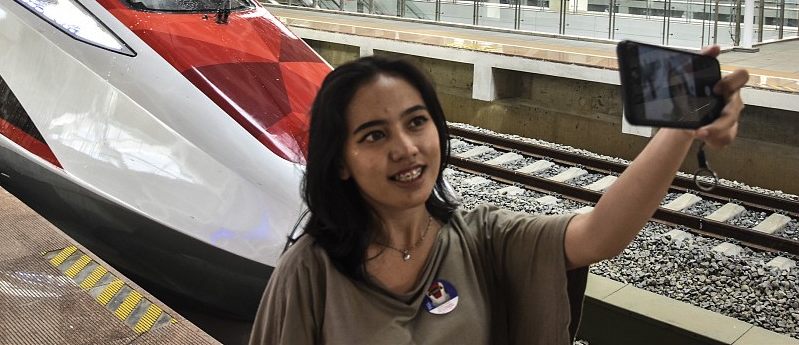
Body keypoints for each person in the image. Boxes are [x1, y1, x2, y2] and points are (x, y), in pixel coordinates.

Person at [250, 52, 749, 344]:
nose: (406, 149)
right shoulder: (310, 273)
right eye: (374, 136)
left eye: (416, 122)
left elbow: (600, 234)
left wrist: (683, 127)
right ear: (340, 162)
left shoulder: (480, 237)